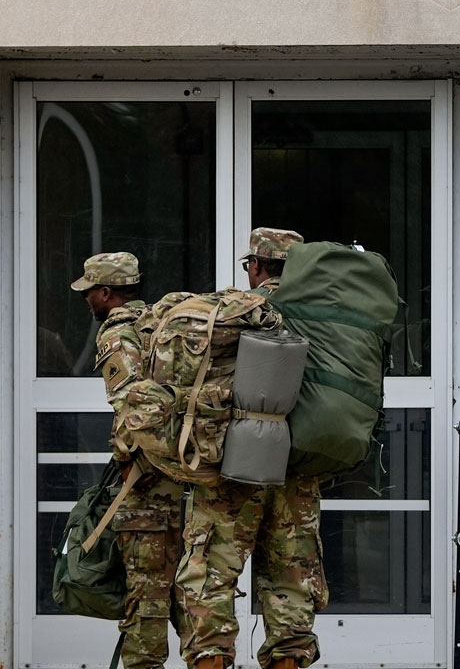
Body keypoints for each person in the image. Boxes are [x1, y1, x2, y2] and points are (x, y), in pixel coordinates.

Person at [176, 227, 328, 669]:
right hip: (299, 466)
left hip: (236, 463)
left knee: (211, 570)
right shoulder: (325, 314)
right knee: (291, 571)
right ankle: (289, 660)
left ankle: (210, 659)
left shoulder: (237, 310)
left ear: (256, 267)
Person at [71, 252, 188, 669]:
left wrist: (124, 456)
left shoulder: (117, 333)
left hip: (147, 480)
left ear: (106, 293)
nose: (87, 301)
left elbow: (133, 403)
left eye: (90, 293)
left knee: (147, 588)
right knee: (188, 586)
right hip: (188, 475)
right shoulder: (162, 321)